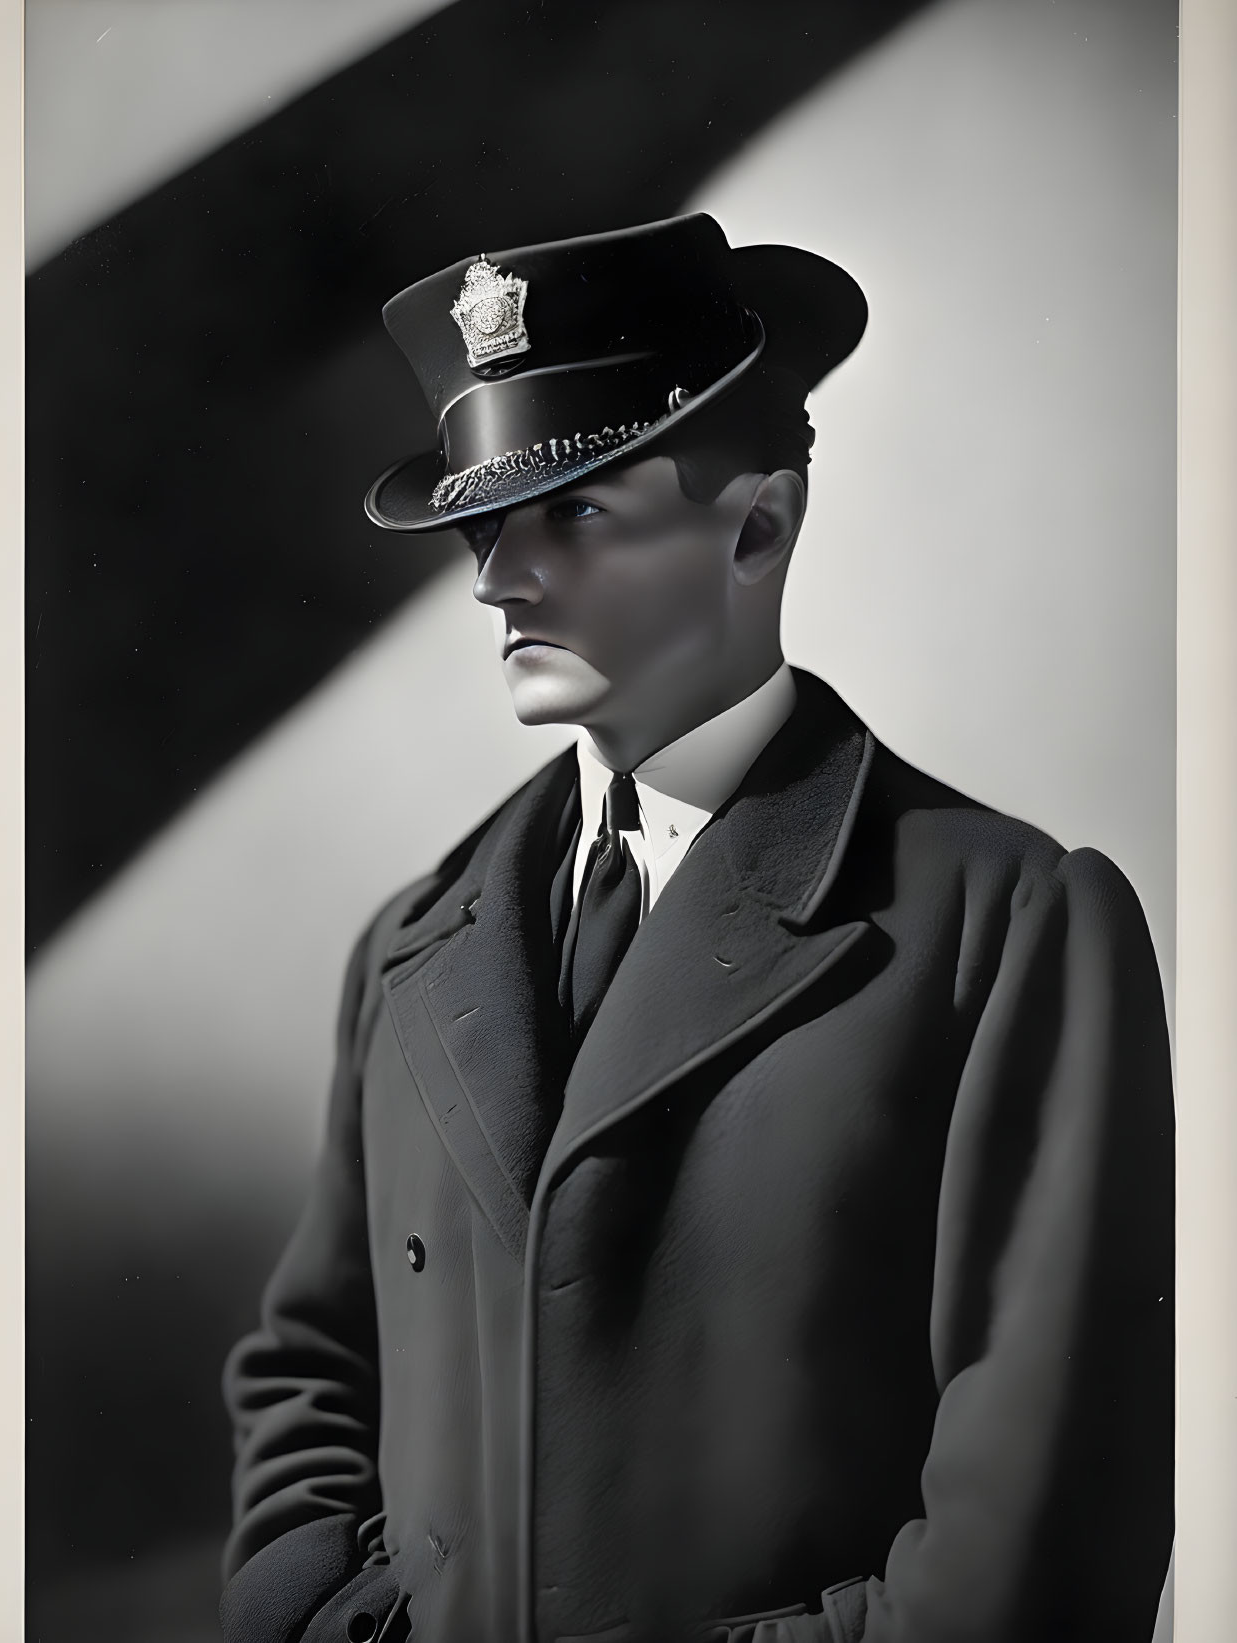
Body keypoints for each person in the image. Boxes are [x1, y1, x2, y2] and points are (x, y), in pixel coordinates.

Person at [220, 214, 1174, 1643]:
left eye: (578, 513)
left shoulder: (1001, 925)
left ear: (759, 526)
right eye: (486, 526)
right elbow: (310, 1364)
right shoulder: (411, 948)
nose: (496, 582)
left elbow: (1043, 1532)